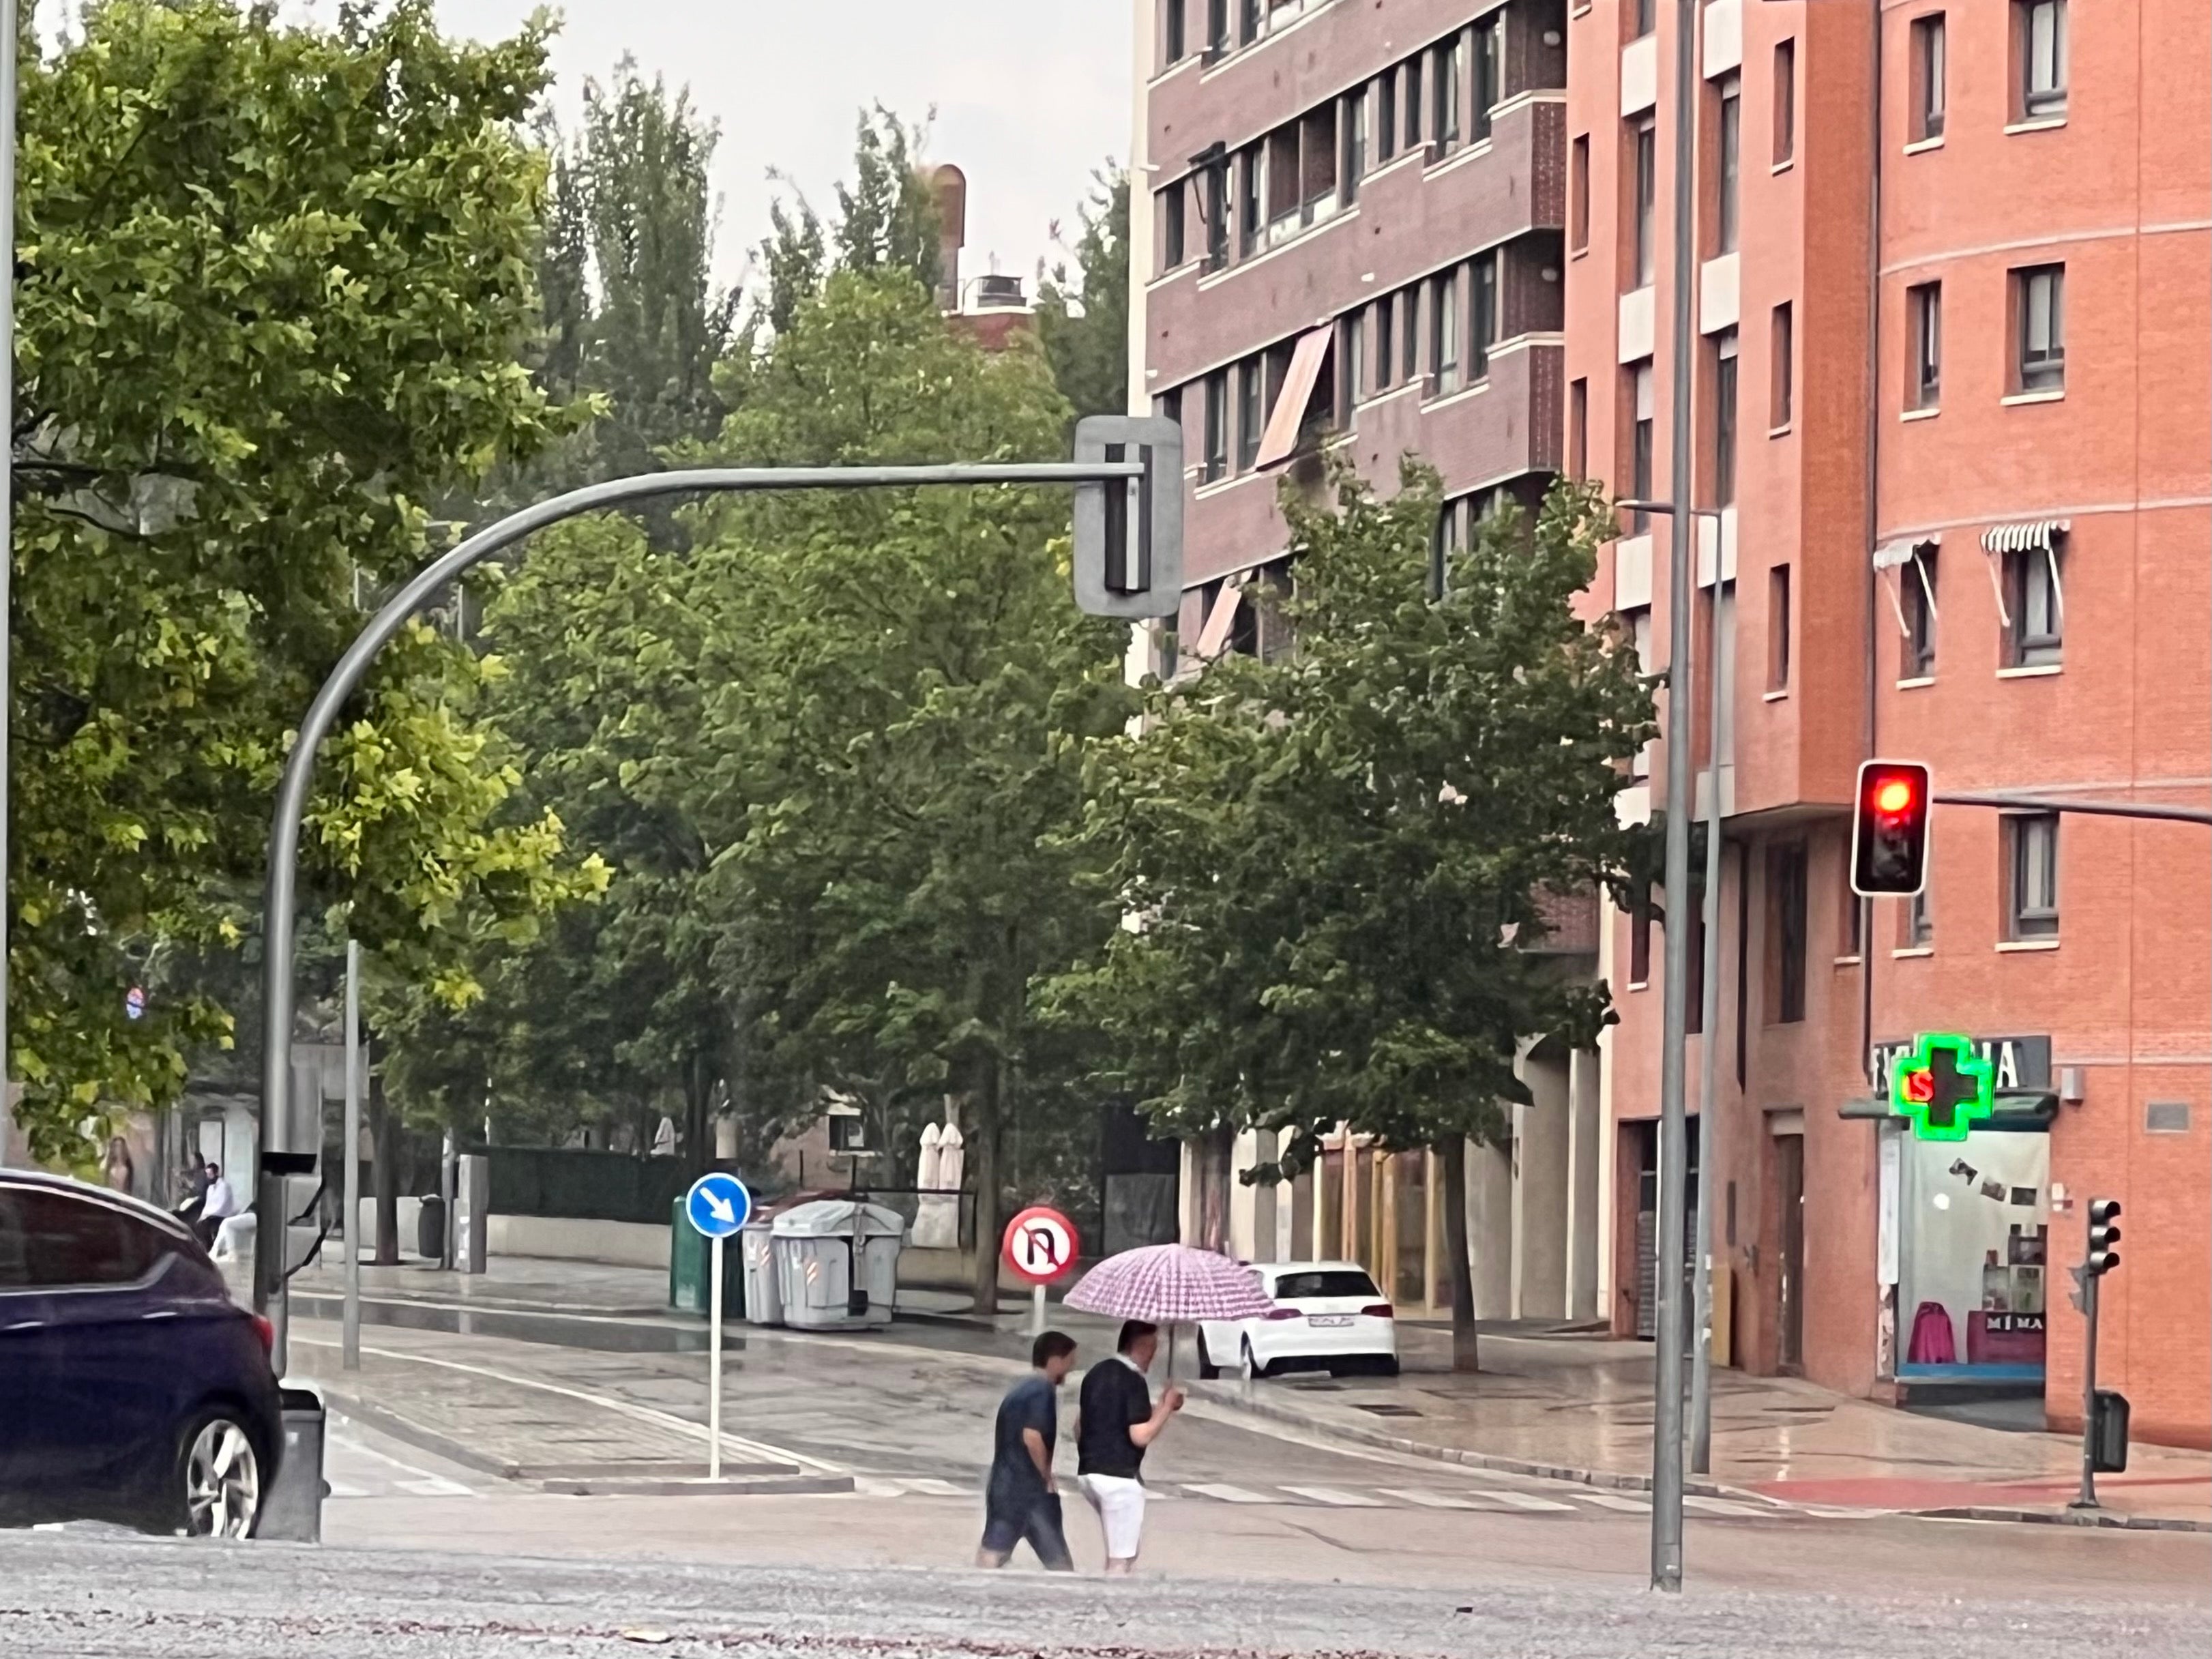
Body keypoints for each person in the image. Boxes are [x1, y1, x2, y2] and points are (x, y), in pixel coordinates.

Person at [1075, 1319, 1183, 1576]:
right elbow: (1140, 1435)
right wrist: (1166, 1408)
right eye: (1154, 1347)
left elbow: (1078, 1426)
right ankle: (1113, 1608)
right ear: (1143, 1346)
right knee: (1121, 1558)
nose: (1155, 1355)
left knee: (1119, 1547)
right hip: (1119, 1478)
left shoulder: (1095, 1373)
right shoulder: (1132, 1381)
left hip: (1088, 1473)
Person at [976, 1331, 1078, 1572]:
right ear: (1055, 1360)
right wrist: (1046, 1476)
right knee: (1060, 1565)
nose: (1070, 1369)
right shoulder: (1042, 1391)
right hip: (1030, 1492)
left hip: (1004, 1486)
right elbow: (1032, 1437)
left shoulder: (1019, 1390)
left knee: (993, 1550)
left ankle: (977, 1589)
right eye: (1069, 1362)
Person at [196, 1161, 236, 1249]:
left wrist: (207, 1215)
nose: (208, 1177)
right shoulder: (210, 1188)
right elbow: (208, 1204)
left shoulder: (225, 1186)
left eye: (210, 1174)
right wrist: (202, 1216)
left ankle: (212, 1248)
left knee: (207, 1225)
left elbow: (221, 1205)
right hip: (212, 1215)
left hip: (222, 1215)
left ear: (216, 1173)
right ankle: (209, 1247)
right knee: (198, 1225)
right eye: (207, 1174)